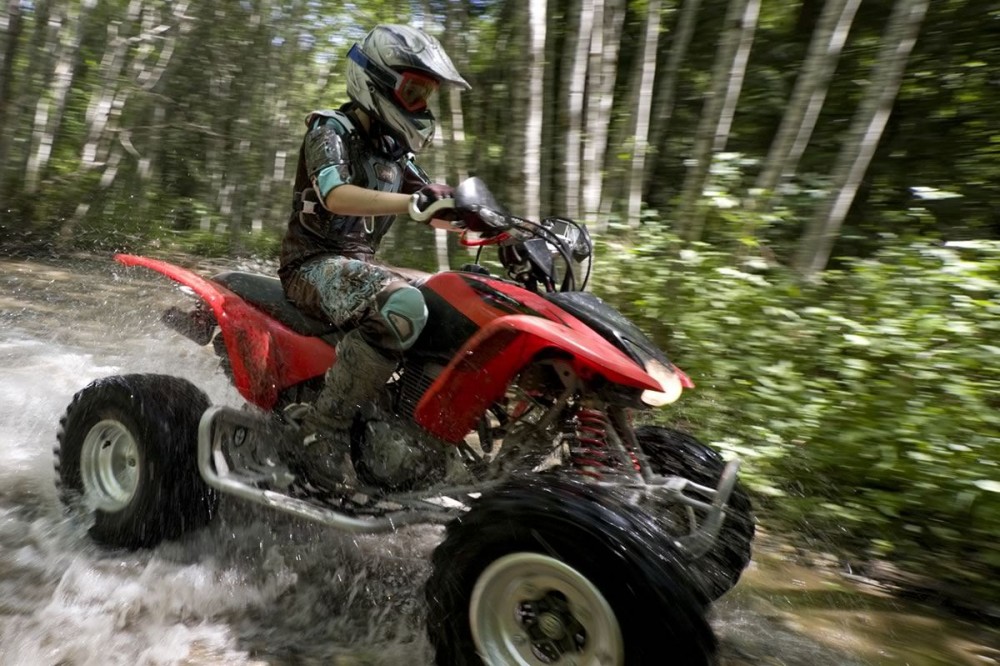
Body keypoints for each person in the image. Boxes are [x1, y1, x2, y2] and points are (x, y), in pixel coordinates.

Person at [277, 24, 469, 489]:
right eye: (414, 90)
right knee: (402, 304)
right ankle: (322, 429)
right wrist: (411, 205)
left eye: (427, 94)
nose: (421, 104)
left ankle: (414, 431)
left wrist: (480, 222)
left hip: (357, 267)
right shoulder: (330, 129)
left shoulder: (394, 150)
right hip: (311, 265)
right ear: (377, 80)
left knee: (458, 299)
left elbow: (432, 202)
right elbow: (336, 195)